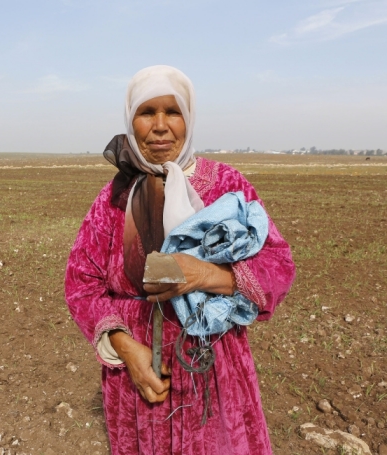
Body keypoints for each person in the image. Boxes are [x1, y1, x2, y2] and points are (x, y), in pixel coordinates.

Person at [65, 65, 295, 455]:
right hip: (138, 381)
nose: (159, 126)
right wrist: (125, 347)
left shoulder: (227, 186)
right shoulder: (115, 197)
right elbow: (81, 284)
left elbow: (278, 266)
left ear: (188, 118)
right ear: (130, 120)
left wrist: (204, 274)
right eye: (146, 112)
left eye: (172, 112)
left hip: (212, 367)